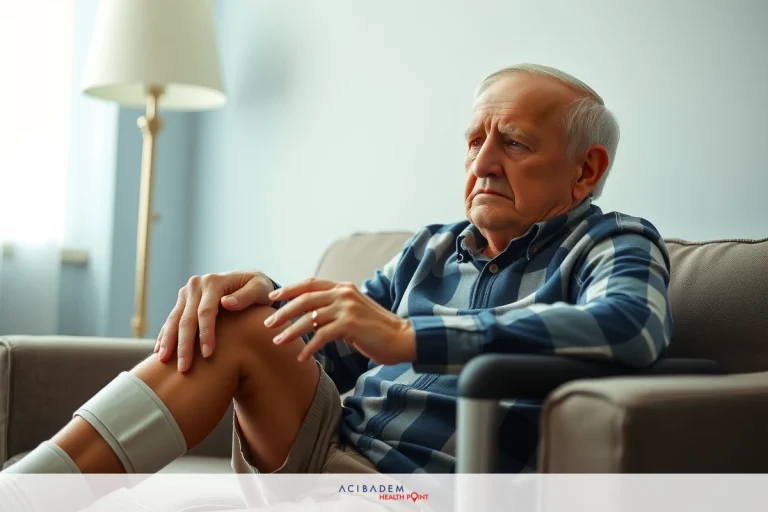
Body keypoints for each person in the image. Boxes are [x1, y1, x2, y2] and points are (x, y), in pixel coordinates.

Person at [3, 63, 672, 483]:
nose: (484, 163)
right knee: (240, 322)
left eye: (515, 143)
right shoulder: (432, 249)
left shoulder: (612, 242)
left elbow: (628, 327)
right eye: (475, 141)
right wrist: (262, 295)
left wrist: (411, 337)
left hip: (420, 485)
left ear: (586, 170)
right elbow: (331, 345)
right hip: (330, 446)